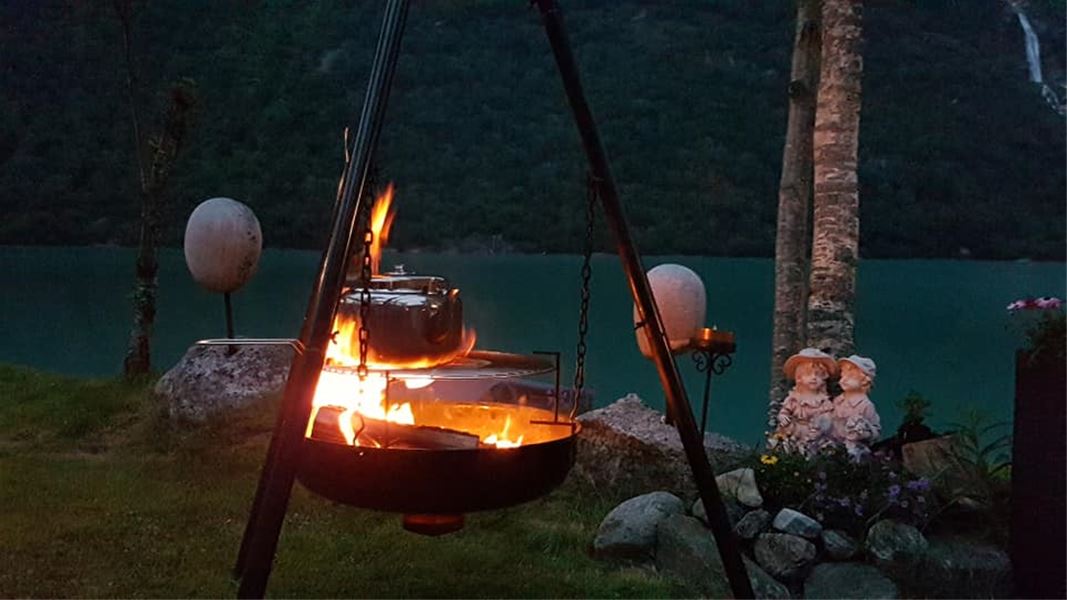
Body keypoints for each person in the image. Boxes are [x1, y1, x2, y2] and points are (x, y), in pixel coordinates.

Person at [775, 348, 837, 453]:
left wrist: (821, 427)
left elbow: (828, 417)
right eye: (809, 374)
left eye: (818, 375)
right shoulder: (794, 398)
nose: (814, 378)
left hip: (816, 433)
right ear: (799, 378)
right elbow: (785, 411)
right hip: (796, 431)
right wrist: (782, 416)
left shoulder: (823, 400)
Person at [831, 355, 881, 460]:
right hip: (835, 445)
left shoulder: (865, 405)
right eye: (843, 375)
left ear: (864, 380)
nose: (844, 379)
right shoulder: (837, 401)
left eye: (850, 376)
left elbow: (876, 432)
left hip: (855, 448)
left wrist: (864, 431)